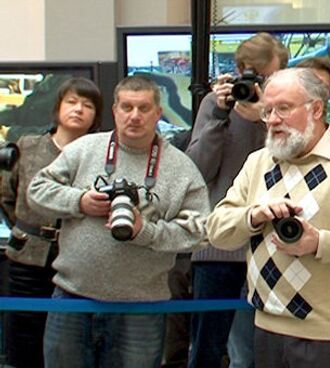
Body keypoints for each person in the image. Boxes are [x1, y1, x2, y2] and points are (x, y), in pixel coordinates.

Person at [205, 68, 330, 367]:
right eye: (268, 110)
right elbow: (217, 231)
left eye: (283, 108)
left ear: (316, 108)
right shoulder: (258, 162)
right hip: (266, 327)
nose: (273, 119)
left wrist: (320, 243)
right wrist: (252, 216)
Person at [27, 75, 209, 368]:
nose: (134, 116)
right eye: (127, 107)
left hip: (141, 308)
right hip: (73, 297)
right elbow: (36, 190)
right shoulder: (84, 148)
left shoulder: (181, 167)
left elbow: (200, 231)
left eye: (144, 108)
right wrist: (79, 201)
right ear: (115, 111)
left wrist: (146, 231)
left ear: (158, 113)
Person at [185, 31, 289, 368]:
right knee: (206, 350)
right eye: (253, 74)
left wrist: (265, 118)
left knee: (256, 353)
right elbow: (198, 171)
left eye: (267, 76)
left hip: (271, 243)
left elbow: (284, 166)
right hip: (217, 245)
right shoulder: (215, 106)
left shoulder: (282, 113)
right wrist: (218, 116)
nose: (258, 83)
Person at [1, 77, 102, 368]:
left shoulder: (99, 154)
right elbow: (8, 195)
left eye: (87, 105)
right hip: (27, 256)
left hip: (79, 260)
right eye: (71, 102)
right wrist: (28, 228)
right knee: (23, 338)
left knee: (72, 344)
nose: (78, 109)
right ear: (57, 108)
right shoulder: (28, 146)